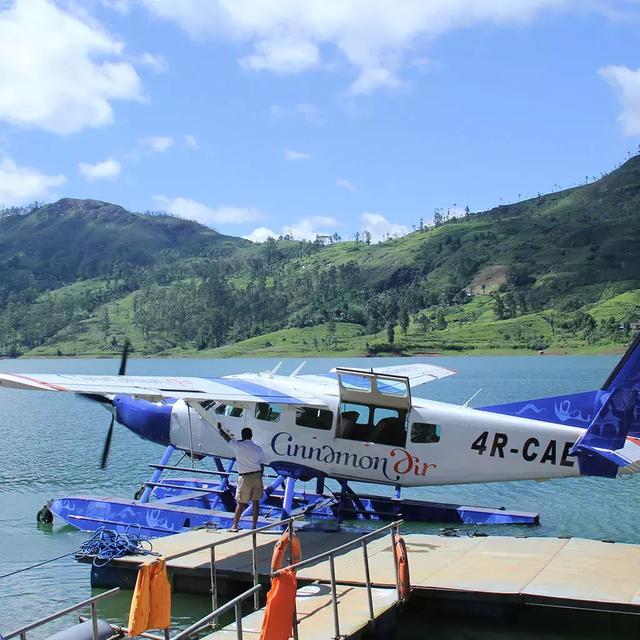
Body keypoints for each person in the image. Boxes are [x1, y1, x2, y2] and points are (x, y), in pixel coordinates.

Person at [216, 421, 266, 532]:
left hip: (245, 477)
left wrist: (220, 429)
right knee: (256, 502)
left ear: (242, 436)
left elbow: (227, 438)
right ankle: (254, 526)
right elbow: (262, 465)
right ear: (251, 436)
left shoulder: (238, 445)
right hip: (257, 476)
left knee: (241, 502)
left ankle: (235, 526)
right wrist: (260, 476)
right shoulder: (258, 448)